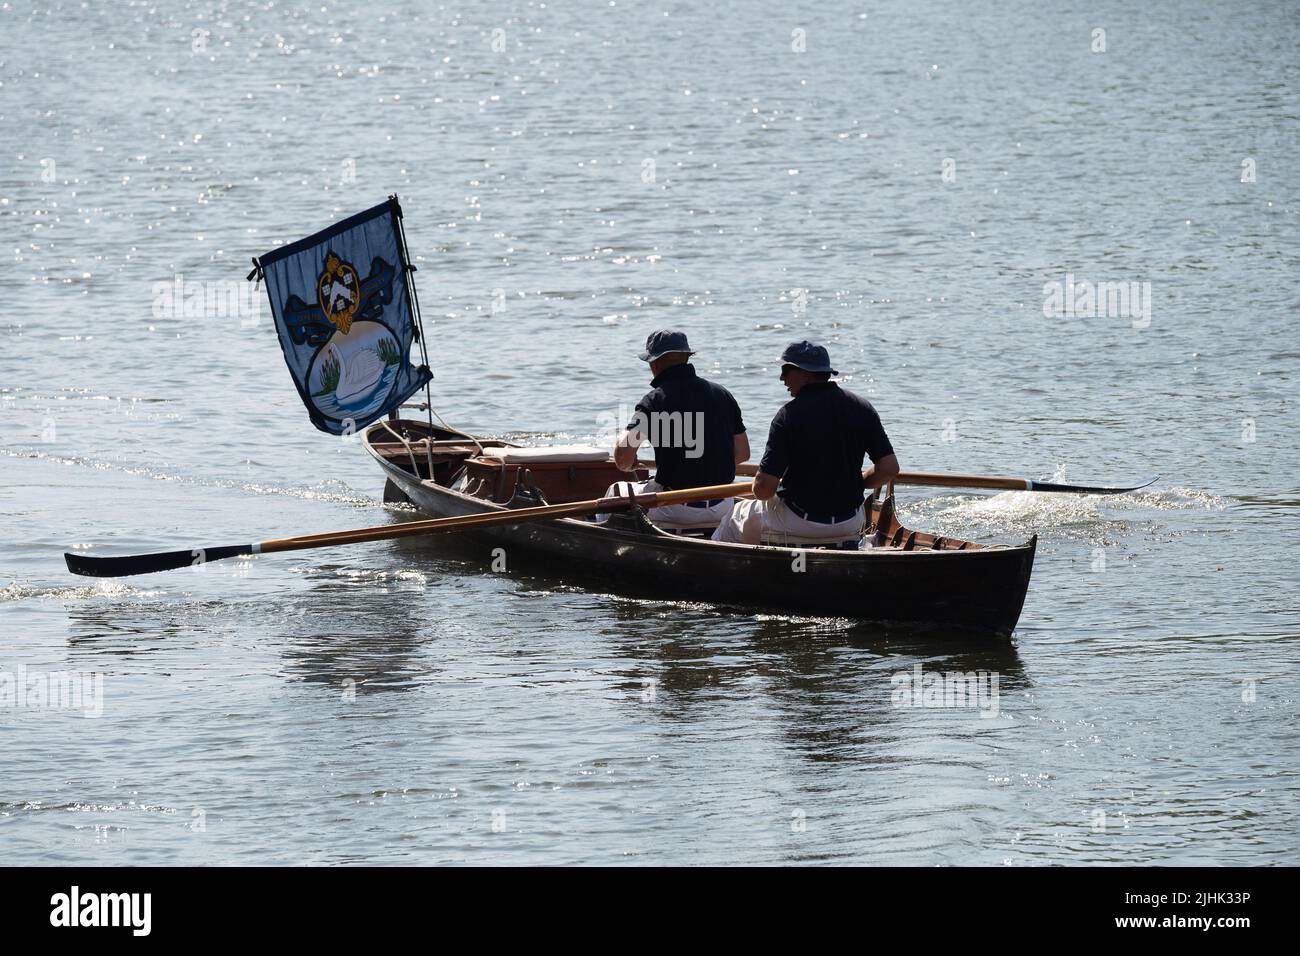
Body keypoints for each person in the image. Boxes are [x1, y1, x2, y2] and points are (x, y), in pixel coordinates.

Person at [713, 340, 899, 545]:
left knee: (734, 516)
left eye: (786, 370)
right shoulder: (863, 408)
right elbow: (889, 468)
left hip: (799, 521)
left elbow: (764, 489)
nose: (782, 378)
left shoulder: (788, 415)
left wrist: (759, 487)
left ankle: (726, 570)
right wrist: (856, 484)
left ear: (805, 374)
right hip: (850, 521)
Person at [604, 329, 749, 527]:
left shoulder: (654, 401)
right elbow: (743, 454)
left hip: (675, 507)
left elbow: (622, 458)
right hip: (722, 505)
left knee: (616, 491)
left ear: (654, 363)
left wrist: (625, 445)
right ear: (686, 358)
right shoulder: (723, 394)